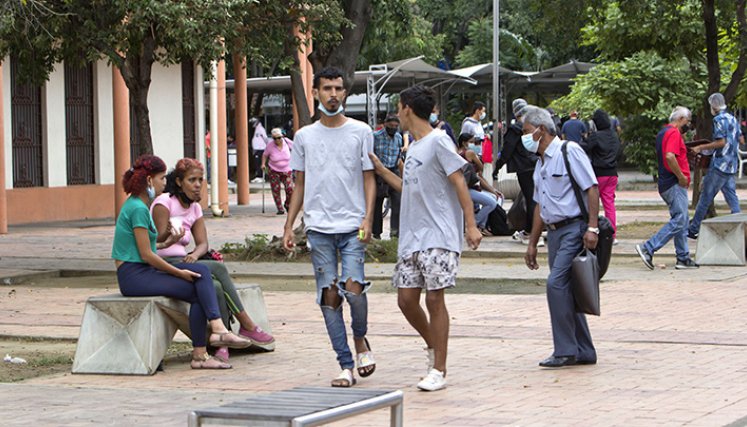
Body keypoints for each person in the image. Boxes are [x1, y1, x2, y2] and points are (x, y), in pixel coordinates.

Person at [369, 84, 482, 391]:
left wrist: (471, 225)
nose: (396, 115)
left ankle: (439, 369)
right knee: (406, 300)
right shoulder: (415, 147)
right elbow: (409, 187)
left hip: (439, 235)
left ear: (407, 108)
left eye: (397, 108)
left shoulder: (439, 141)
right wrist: (380, 170)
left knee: (434, 298)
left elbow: (459, 182)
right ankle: (434, 345)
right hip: (412, 237)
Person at [282, 67, 376, 388]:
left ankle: (361, 338)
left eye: (338, 88)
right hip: (318, 227)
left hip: (352, 225)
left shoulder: (361, 131)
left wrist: (368, 219)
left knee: (354, 289)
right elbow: (299, 183)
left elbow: (368, 177)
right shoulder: (303, 136)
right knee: (329, 296)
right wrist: (288, 226)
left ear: (345, 93)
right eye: (327, 89)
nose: (333, 94)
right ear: (316, 93)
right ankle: (345, 364)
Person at [112, 154, 251, 370]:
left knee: (200, 284)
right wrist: (179, 273)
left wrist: (169, 240)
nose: (164, 183)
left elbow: (148, 248)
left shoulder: (140, 205)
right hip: (133, 276)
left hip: (142, 269)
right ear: (149, 180)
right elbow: (146, 255)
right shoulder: (138, 208)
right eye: (160, 178)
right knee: (199, 276)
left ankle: (201, 353)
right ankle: (218, 332)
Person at [152, 157, 275, 363]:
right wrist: (169, 238)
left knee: (216, 286)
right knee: (217, 268)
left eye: (201, 179)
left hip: (184, 261)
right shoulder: (164, 203)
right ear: (179, 182)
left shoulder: (195, 208)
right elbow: (153, 240)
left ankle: (221, 343)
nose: (198, 184)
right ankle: (247, 325)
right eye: (192, 180)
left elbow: (203, 243)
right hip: (163, 265)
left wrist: (195, 255)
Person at [522, 106, 599, 368]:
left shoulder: (569, 151)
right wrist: (532, 243)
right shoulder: (541, 162)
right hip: (554, 234)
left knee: (556, 285)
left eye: (525, 131)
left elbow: (591, 187)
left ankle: (565, 350)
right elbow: (539, 206)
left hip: (574, 228)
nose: (524, 137)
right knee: (567, 289)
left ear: (540, 129)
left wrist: (592, 227)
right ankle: (584, 349)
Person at [635, 107, 699, 270]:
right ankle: (648, 247)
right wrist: (681, 176)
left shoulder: (664, 132)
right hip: (674, 183)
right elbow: (670, 156)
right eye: (687, 121)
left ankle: (683, 257)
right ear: (681, 119)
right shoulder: (673, 133)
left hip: (669, 183)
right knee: (679, 220)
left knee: (682, 220)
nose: (688, 125)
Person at [688, 93, 742, 239]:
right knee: (731, 196)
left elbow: (721, 142)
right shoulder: (732, 119)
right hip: (731, 164)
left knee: (705, 196)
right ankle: (741, 227)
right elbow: (741, 139)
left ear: (713, 105)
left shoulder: (718, 119)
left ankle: (693, 229)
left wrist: (701, 147)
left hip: (720, 164)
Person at [495, 99, 539, 245]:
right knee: (536, 198)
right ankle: (536, 229)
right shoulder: (536, 126)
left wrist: (498, 167)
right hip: (537, 165)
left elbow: (507, 150)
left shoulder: (515, 129)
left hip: (524, 168)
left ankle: (531, 233)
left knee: (531, 199)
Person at [580, 109, 621, 242]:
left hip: (598, 174)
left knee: (592, 204)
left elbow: (584, 147)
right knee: (609, 204)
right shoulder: (615, 136)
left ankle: (593, 230)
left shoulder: (596, 136)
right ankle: (611, 234)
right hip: (612, 174)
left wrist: (585, 138)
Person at [456, 133, 500, 235]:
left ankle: (482, 227)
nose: (476, 145)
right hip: (467, 189)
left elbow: (479, 177)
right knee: (491, 203)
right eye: (472, 142)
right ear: (464, 143)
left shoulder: (457, 153)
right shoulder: (469, 153)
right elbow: (481, 168)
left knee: (492, 198)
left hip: (463, 187)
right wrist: (477, 158)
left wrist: (492, 190)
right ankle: (473, 224)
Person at [372, 114, 403, 239]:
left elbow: (399, 156)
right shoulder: (376, 137)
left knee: (397, 202)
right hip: (379, 172)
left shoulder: (398, 137)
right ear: (385, 124)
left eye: (396, 126)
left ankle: (395, 232)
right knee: (377, 203)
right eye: (391, 126)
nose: (393, 128)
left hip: (393, 171)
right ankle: (376, 232)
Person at [261, 128, 295, 215]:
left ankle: (287, 204)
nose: (277, 140)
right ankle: (280, 208)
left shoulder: (287, 142)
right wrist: (263, 164)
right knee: (276, 189)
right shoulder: (270, 145)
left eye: (279, 138)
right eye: (275, 138)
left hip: (287, 170)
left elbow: (296, 148)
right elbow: (265, 155)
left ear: (282, 136)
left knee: (290, 189)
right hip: (274, 170)